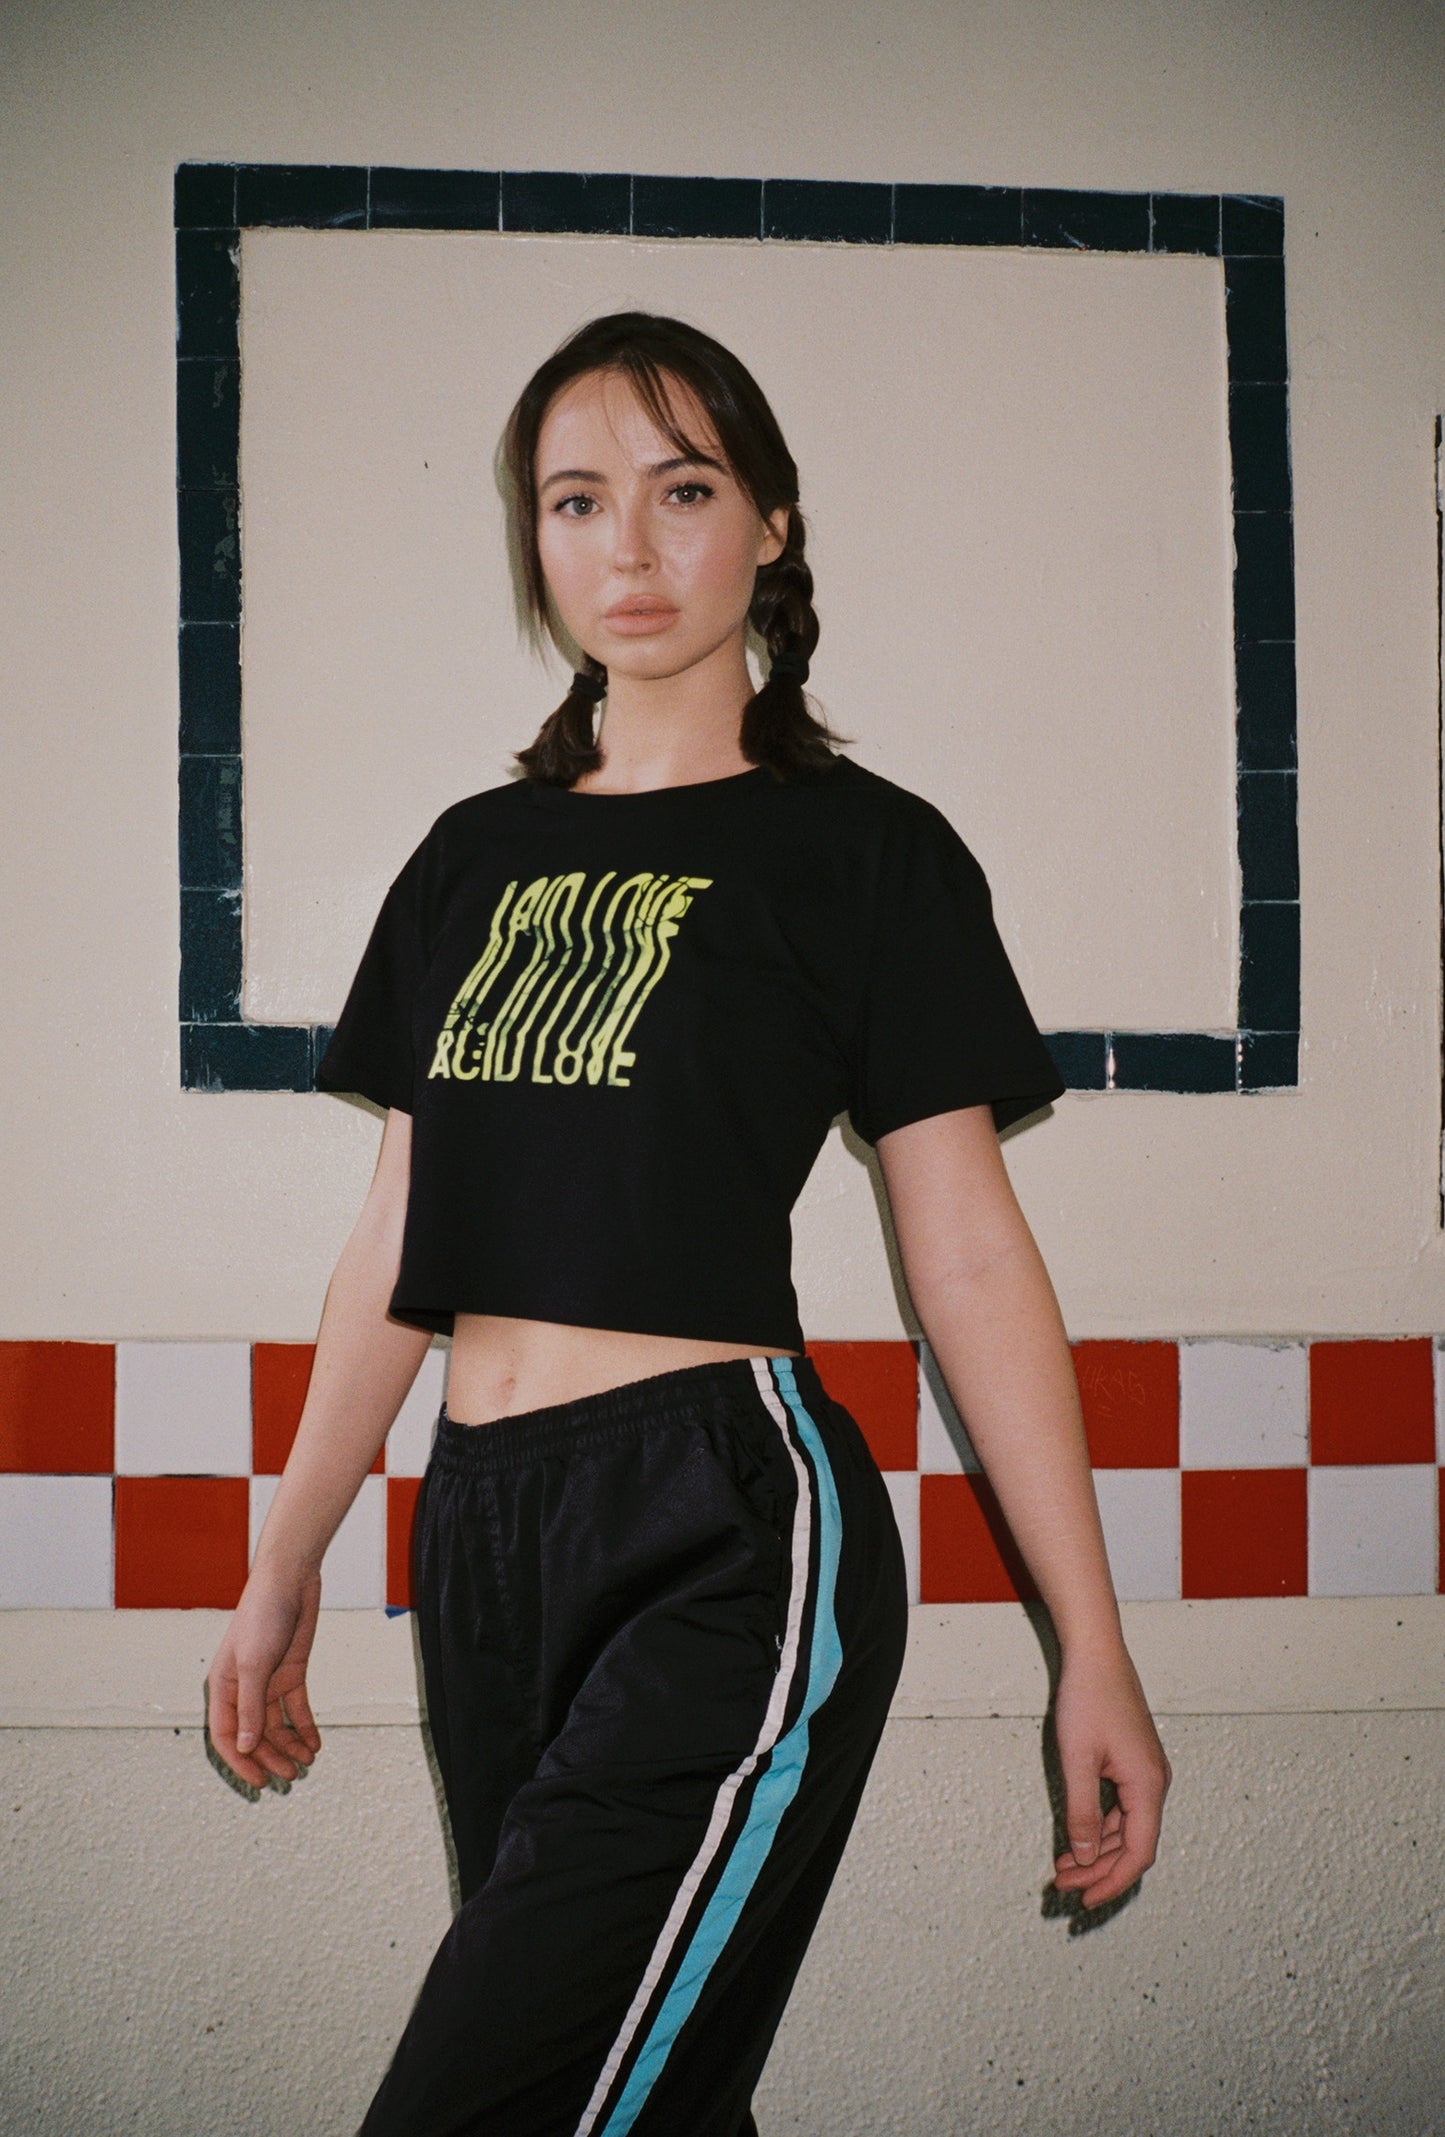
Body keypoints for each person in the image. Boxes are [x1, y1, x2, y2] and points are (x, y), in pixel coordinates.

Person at [205, 309, 1171, 2136]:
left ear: (770, 524)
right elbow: (397, 1239)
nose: (628, 549)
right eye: (576, 500)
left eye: (683, 489)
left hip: (719, 1527)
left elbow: (965, 1254)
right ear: (532, 537)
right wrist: (284, 1558)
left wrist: (1090, 1645)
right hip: (482, 1525)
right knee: (634, 2094)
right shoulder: (468, 855)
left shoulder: (863, 851)